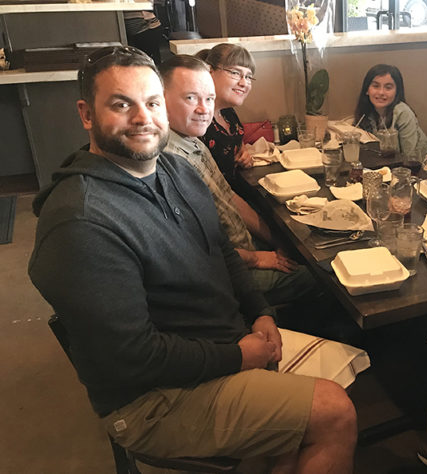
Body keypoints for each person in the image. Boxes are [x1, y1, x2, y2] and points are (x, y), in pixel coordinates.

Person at [28, 46, 356, 472]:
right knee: (334, 411)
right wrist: (240, 357)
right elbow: (133, 357)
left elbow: (220, 249)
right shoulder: (81, 221)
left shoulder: (175, 169)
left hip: (217, 344)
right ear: (86, 114)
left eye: (152, 103)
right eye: (121, 105)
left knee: (299, 420)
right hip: (152, 400)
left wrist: (259, 311)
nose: (143, 118)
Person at [160, 54, 320, 309]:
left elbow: (229, 198)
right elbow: (196, 249)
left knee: (306, 247)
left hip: (241, 245)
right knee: (320, 278)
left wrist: (276, 241)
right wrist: (257, 259)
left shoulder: (192, 140)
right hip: (224, 271)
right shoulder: (169, 162)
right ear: (159, 98)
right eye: (190, 98)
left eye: (209, 99)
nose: (204, 109)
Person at [197, 43, 255, 195]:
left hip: (235, 193)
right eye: (235, 73)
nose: (244, 83)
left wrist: (244, 155)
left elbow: (236, 145)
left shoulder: (228, 113)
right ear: (210, 71)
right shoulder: (197, 121)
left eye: (248, 76)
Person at [354, 64, 427, 162]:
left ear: (396, 92)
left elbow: (410, 156)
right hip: (388, 164)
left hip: (422, 165)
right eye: (376, 86)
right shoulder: (367, 112)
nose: (381, 92)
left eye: (388, 87)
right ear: (367, 90)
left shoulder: (403, 113)